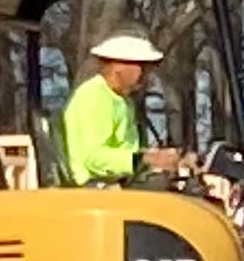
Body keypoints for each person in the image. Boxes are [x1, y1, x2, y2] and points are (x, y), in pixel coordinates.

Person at [59, 32, 187, 187]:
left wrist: (163, 157)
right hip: (97, 189)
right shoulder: (94, 97)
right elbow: (93, 158)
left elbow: (124, 149)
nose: (147, 76)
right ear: (119, 67)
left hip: (118, 184)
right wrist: (145, 159)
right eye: (142, 68)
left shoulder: (121, 100)